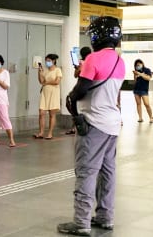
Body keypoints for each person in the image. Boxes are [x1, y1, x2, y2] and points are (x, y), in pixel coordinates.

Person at [57, 16, 125, 236]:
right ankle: (106, 216)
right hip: (112, 124)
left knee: (86, 172)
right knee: (107, 172)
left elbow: (79, 91)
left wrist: (72, 99)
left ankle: (81, 221)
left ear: (96, 36)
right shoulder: (119, 61)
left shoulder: (93, 59)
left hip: (93, 123)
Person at [35, 53, 63, 139]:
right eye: (46, 61)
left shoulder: (58, 70)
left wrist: (46, 83)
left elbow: (57, 82)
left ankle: (50, 133)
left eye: (49, 61)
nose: (47, 62)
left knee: (52, 114)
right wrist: (39, 72)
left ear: (53, 61)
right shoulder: (45, 70)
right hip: (44, 93)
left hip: (54, 93)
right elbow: (41, 81)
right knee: (41, 113)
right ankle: (41, 132)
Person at [67, 47, 92, 135]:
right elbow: (76, 75)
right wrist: (79, 68)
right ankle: (75, 126)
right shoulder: (80, 62)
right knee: (73, 104)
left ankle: (80, 125)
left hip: (87, 86)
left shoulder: (91, 62)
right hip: (81, 84)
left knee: (76, 104)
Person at [132, 59, 153, 123]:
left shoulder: (147, 70)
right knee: (138, 104)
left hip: (144, 90)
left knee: (147, 104)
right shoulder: (136, 71)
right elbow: (135, 81)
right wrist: (135, 76)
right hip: (136, 89)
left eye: (139, 64)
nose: (138, 66)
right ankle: (140, 118)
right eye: (136, 65)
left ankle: (151, 118)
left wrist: (140, 74)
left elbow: (148, 78)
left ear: (142, 64)